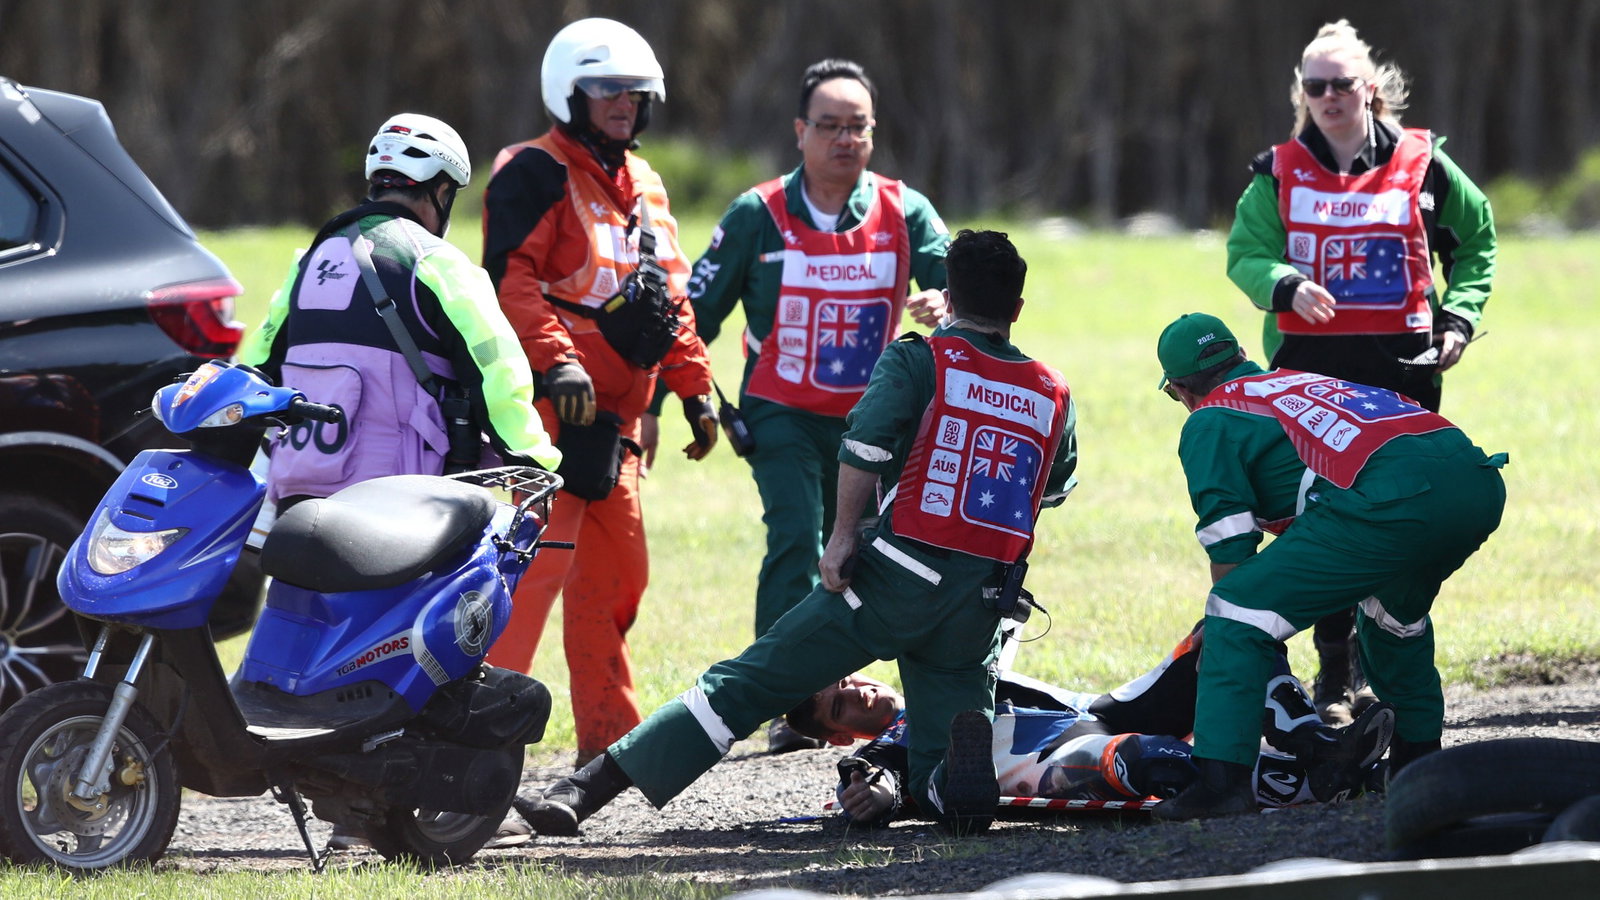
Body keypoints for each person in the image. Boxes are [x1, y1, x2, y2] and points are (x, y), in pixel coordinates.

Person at [511, 229, 1075, 839]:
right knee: (942, 742)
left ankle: (580, 791)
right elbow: (1052, 487)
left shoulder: (921, 358)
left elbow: (862, 446)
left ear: (950, 297)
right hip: (982, 601)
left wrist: (839, 542)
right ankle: (949, 789)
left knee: (749, 680)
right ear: (1016, 310)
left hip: (895, 578)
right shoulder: (1051, 390)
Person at [240, 112, 561, 849]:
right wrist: (536, 458)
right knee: (402, 645)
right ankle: (386, 793)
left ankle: (330, 777)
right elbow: (500, 367)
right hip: (397, 494)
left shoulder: (312, 256)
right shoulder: (434, 261)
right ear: (441, 191)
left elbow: (259, 355)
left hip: (303, 482)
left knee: (325, 636)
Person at [1224, 19, 1497, 718]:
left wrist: (1460, 319)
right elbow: (1246, 253)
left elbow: (1478, 240)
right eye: (1314, 86)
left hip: (1403, 375)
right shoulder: (1278, 171)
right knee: (1325, 519)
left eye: (1340, 84)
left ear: (1369, 89)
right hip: (1312, 377)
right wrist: (1284, 283)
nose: (1327, 97)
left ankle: (1390, 674)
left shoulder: (1424, 162)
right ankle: (1335, 676)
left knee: (1400, 520)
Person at [684, 59, 952, 753]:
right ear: (800, 132)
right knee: (797, 539)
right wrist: (671, 400)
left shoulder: (904, 209)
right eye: (828, 126)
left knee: (880, 549)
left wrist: (943, 304)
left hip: (876, 419)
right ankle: (785, 703)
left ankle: (907, 698)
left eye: (856, 126)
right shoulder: (757, 214)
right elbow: (692, 316)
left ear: (872, 132)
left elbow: (961, 284)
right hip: (781, 413)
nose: (843, 139)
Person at [1151, 312, 1506, 820]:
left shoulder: (1211, 417)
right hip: (1474, 479)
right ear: (1240, 359)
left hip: (1393, 497)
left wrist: (1232, 633)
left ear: (1182, 389)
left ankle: (1221, 783)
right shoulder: (1295, 382)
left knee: (1234, 611)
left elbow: (1231, 543)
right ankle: (1417, 767)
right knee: (1392, 621)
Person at [480, 17, 718, 766]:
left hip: (617, 426)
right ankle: (471, 742)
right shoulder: (532, 171)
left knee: (619, 578)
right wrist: (558, 363)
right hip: (554, 420)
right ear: (569, 92)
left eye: (635, 92)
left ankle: (607, 750)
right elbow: (510, 278)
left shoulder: (644, 185)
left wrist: (695, 387)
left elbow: (667, 297)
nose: (623, 102)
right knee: (531, 575)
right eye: (607, 89)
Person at [788, 625, 1393, 826]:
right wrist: (870, 793)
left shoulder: (938, 664)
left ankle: (1320, 747)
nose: (860, 693)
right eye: (842, 707)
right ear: (840, 735)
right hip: (1059, 761)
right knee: (1141, 759)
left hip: (1103, 708)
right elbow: (875, 781)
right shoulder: (893, 746)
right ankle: (1315, 782)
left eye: (848, 682)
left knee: (1227, 634)